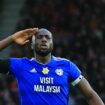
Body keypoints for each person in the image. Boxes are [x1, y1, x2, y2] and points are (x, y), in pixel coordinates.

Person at [0, 28, 104, 105]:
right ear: (32, 45)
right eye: (39, 37)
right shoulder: (21, 65)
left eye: (47, 37)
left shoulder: (67, 66)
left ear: (52, 44)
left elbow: (90, 95)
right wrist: (12, 38)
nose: (44, 39)